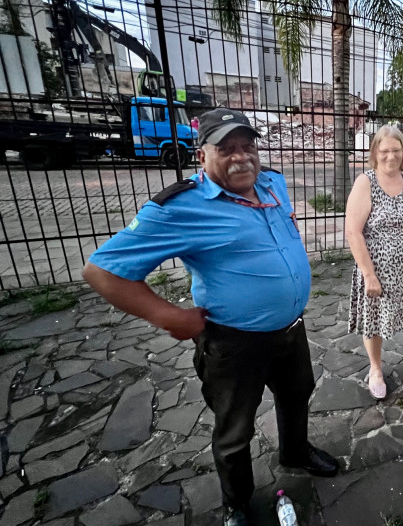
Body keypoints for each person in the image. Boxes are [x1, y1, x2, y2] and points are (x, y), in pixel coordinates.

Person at [82, 108, 338, 526]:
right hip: (235, 342)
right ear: (202, 156)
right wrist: (169, 317)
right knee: (235, 430)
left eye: (247, 146)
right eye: (226, 149)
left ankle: (296, 453)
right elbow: (101, 271)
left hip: (291, 330)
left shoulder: (272, 183)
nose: (241, 157)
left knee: (296, 396)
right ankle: (236, 503)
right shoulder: (180, 207)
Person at [346, 125, 403, 399]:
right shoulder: (365, 182)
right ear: (375, 153)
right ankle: (375, 370)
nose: (391, 156)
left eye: (396, 150)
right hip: (376, 271)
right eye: (385, 151)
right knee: (374, 322)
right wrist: (368, 274)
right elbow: (353, 231)